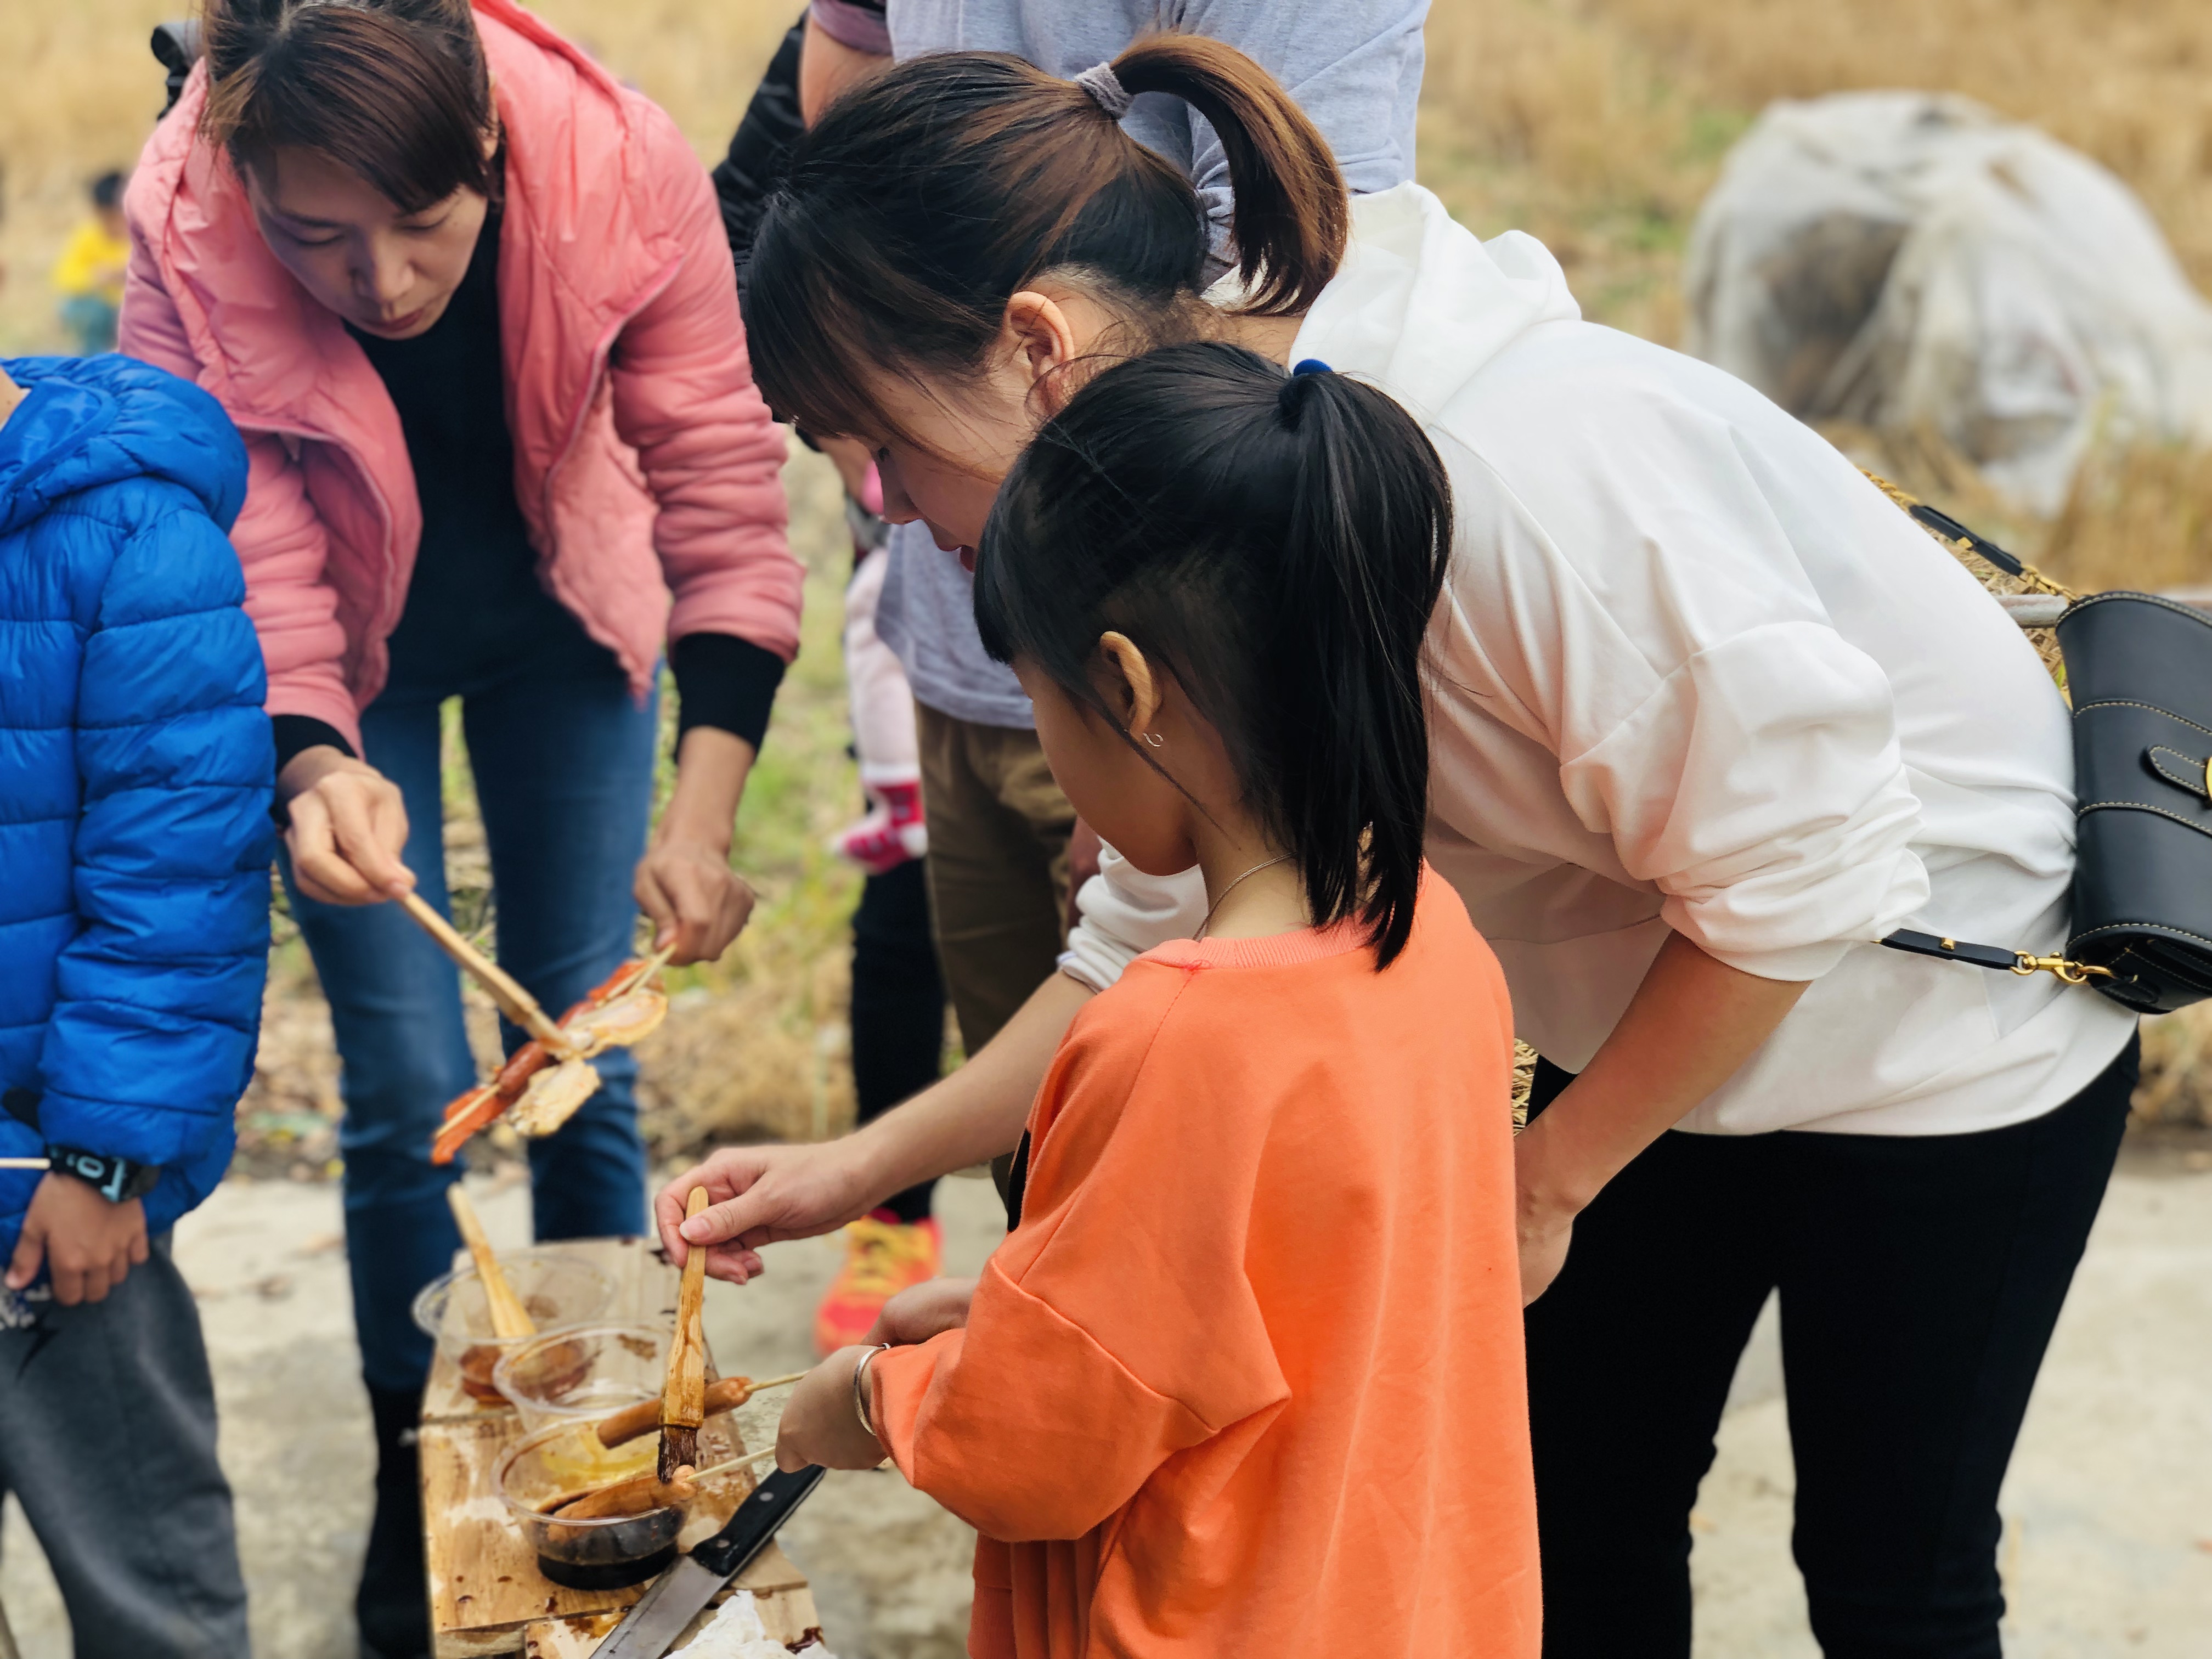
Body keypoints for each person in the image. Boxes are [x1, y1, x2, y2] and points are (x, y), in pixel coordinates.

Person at [667, 39, 2142, 1659]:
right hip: (1661, 997)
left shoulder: (1507, 479)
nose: (892, 514)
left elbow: (1809, 861)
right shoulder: (1206, 503)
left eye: (872, 444)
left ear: (1033, 347)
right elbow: (1137, 941)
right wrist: (862, 1169)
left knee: (1892, 1572)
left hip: (1941, 1021)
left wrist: (1546, 1181)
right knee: (1582, 1510)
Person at [118, 2, 801, 1652]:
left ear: (490, 148)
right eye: (321, 239)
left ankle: (606, 1454)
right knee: (405, 1089)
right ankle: (413, 1464)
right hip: (341, 653)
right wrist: (306, 764)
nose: (388, 279)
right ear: (246, 183)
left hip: (568, 619)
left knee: (579, 1044)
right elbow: (240, 535)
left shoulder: (619, 161)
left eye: (425, 225)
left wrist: (701, 813)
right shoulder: (185, 218)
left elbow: (717, 476)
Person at [773, 340, 1538, 1658]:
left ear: (1124, 686)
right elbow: (1271, 1313)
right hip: (1416, 1607)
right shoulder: (1436, 944)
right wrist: (1000, 1318)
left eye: (1041, 705)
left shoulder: (1181, 1029)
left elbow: (1044, 1444)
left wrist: (866, 1404)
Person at [0, 354, 272, 1657]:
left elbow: (182, 878)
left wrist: (103, 1157)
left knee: (145, 1576)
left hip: (49, 1188)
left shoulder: (134, 539)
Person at [714, 4, 949, 1355]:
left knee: (1093, 909)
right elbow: (746, 209)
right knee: (907, 890)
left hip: (1085, 497)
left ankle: (1062, 1246)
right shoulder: (854, 26)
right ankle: (893, 1219)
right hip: (910, 544)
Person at [49, 170, 129, 354]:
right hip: (102, 310)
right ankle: (94, 360)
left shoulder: (141, 234)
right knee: (83, 310)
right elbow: (63, 276)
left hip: (131, 311)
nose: (114, 224)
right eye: (106, 218)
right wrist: (97, 276)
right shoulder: (89, 235)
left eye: (117, 216)